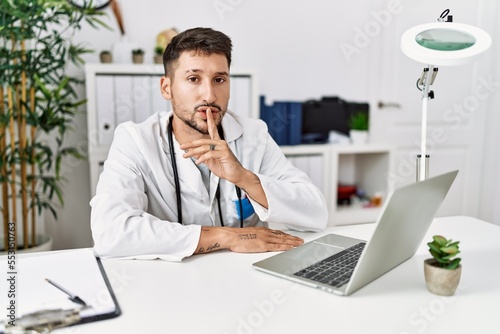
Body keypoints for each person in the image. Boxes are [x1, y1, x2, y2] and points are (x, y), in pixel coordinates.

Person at [90, 27, 328, 260]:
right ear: (166, 87)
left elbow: (315, 211)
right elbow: (110, 232)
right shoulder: (136, 140)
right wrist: (229, 237)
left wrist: (244, 178)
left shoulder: (254, 134)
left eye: (219, 79)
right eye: (193, 79)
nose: (209, 96)